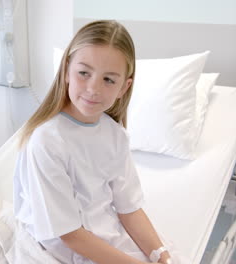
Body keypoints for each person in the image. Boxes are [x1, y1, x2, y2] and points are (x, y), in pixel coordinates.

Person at [13, 20, 175, 264]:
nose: (93, 89)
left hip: (101, 238)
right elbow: (69, 233)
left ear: (124, 87)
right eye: (84, 73)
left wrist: (162, 256)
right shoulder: (47, 141)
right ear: (67, 70)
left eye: (108, 80)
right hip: (61, 246)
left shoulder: (115, 135)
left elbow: (128, 208)